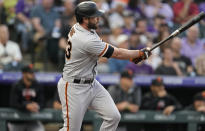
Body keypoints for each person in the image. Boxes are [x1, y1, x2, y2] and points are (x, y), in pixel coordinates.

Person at [57, 1, 151, 131]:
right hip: (74, 87)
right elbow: (117, 53)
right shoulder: (85, 39)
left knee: (113, 116)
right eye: (94, 16)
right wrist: (138, 53)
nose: (98, 19)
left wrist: (135, 55)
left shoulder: (80, 27)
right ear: (84, 19)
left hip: (91, 83)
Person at [8, 64, 45, 131]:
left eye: (33, 72)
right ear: (23, 74)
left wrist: (37, 106)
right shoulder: (16, 86)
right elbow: (13, 103)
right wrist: (26, 106)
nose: (33, 74)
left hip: (32, 120)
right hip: (17, 121)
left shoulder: (37, 85)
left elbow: (42, 102)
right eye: (30, 73)